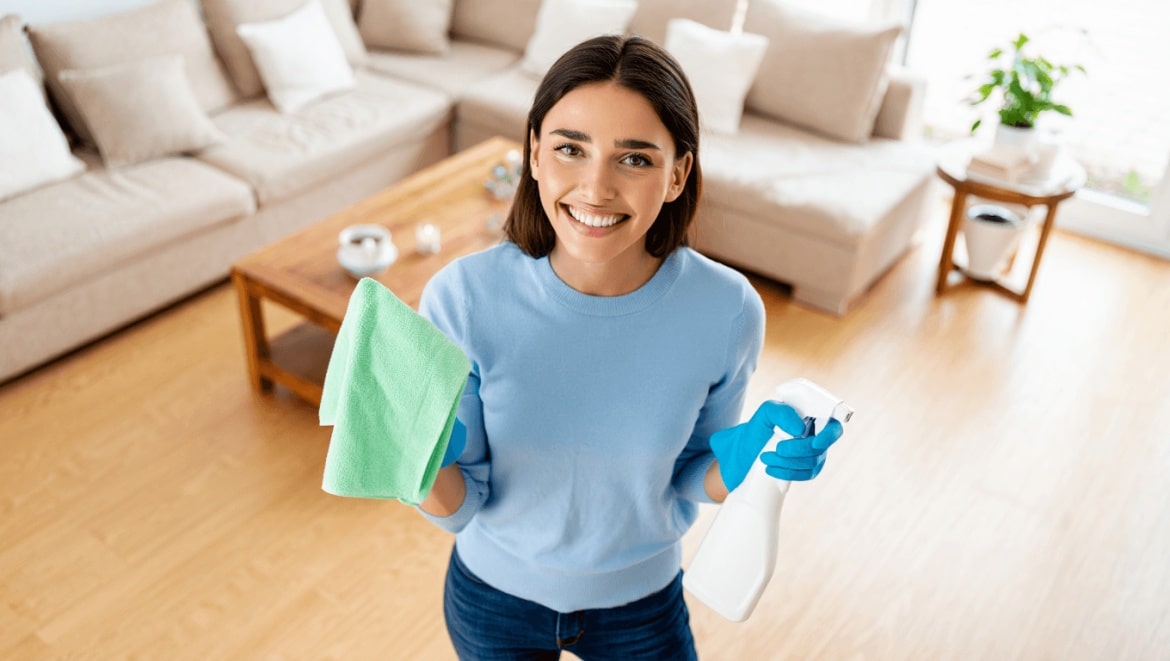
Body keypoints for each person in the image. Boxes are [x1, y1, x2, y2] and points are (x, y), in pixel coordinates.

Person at [417, 34, 844, 660]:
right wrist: (411, 461)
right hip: (493, 598)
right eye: (570, 149)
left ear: (678, 174)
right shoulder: (463, 299)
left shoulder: (726, 311)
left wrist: (755, 462)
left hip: (641, 606)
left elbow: (692, 474)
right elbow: (461, 504)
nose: (595, 189)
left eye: (635, 159)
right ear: (534, 154)